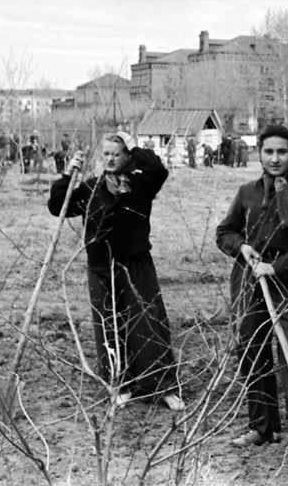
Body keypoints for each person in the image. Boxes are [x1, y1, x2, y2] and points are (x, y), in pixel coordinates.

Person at [47, 132, 184, 411]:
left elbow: (158, 168)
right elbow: (57, 207)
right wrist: (65, 175)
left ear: (127, 156)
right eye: (106, 154)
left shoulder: (141, 183)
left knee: (148, 321)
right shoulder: (90, 187)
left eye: (116, 153)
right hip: (100, 266)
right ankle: (120, 385)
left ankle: (162, 386)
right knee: (108, 325)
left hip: (135, 262)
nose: (110, 159)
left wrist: (131, 142)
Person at [216, 124, 288, 447]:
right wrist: (242, 247)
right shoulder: (247, 192)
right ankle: (263, 427)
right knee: (252, 350)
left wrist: (276, 267)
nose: (275, 158)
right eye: (268, 152)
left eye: (282, 152)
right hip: (248, 278)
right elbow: (225, 231)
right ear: (259, 154)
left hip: (286, 281)